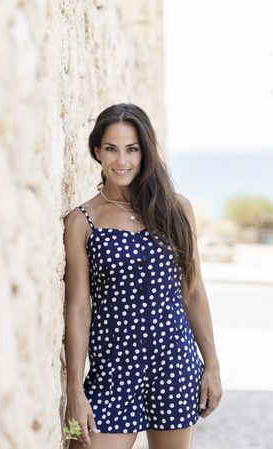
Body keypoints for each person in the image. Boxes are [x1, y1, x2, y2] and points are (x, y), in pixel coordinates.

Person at [63, 103, 223, 449]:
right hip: (112, 372)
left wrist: (211, 365)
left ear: (145, 151)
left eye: (132, 149)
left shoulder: (177, 209)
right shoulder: (82, 221)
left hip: (174, 365)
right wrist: (75, 390)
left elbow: (193, 292)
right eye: (112, 149)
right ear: (97, 152)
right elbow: (78, 308)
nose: (122, 161)